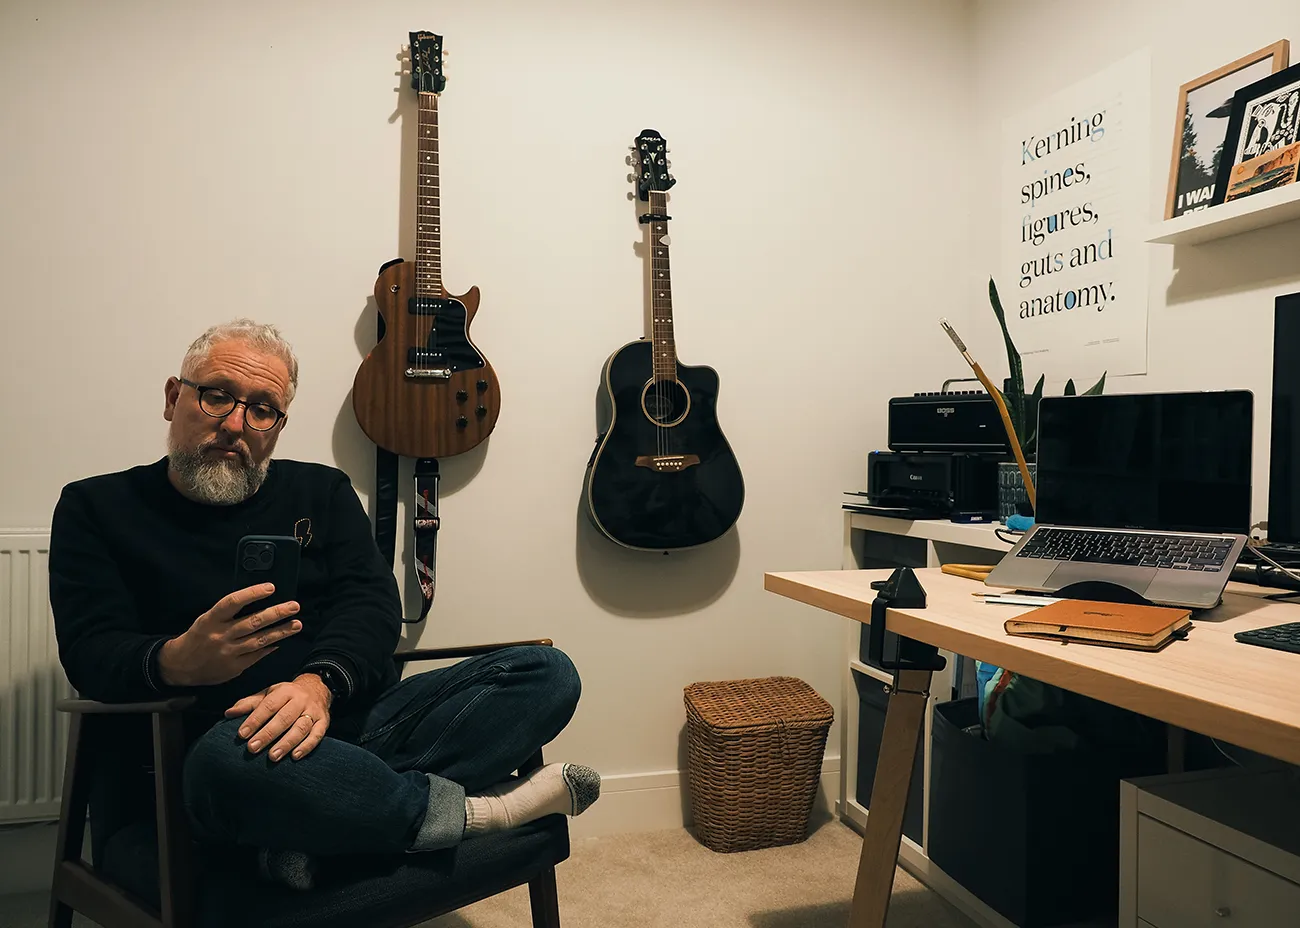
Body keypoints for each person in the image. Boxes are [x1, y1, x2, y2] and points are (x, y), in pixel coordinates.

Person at [49, 319, 599, 890]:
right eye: (216, 395)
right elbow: (90, 651)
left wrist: (319, 686)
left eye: (263, 409)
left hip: (348, 726)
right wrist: (176, 661)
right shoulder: (96, 507)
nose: (235, 424)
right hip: (219, 752)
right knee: (226, 757)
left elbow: (373, 606)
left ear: (279, 426)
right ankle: (475, 815)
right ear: (173, 398)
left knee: (546, 673)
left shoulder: (321, 491)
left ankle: (316, 830)